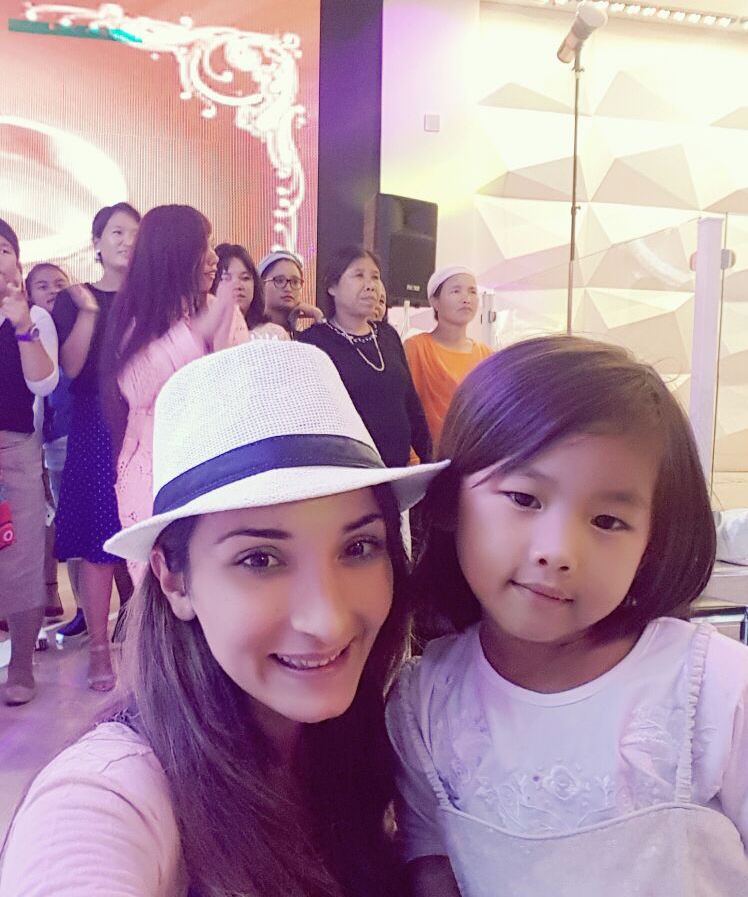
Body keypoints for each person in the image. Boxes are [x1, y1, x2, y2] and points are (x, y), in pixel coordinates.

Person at [387, 336, 748, 897]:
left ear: (652, 542)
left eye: (606, 521)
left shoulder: (719, 689)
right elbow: (431, 858)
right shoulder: (424, 701)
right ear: (451, 500)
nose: (558, 551)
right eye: (525, 499)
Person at [0, 340, 448, 897]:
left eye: (358, 548)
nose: (327, 620)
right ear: (174, 579)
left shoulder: (374, 742)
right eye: (260, 559)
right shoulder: (112, 791)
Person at [103, 205, 248, 539]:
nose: (214, 258)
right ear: (172, 255)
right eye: (203, 247)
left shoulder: (220, 310)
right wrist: (201, 332)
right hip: (157, 466)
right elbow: (140, 388)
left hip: (217, 463)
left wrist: (220, 334)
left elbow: (235, 388)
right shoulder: (138, 318)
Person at [52, 203, 141, 683]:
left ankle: (147, 638)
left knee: (145, 532)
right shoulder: (76, 298)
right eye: (117, 232)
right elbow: (70, 368)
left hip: (144, 419)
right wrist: (89, 312)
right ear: (97, 243)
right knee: (98, 538)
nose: (127, 241)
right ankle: (100, 650)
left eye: (135, 233)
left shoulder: (152, 296)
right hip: (96, 423)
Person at [298, 247, 432, 468]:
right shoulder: (314, 341)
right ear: (332, 286)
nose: (370, 285)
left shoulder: (388, 335)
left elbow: (411, 404)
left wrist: (429, 462)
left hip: (396, 470)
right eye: (359, 275)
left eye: (375, 277)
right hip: (346, 471)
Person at [0, 219, 59, 706]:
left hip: (14, 447)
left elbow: (43, 382)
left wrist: (21, 326)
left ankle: (21, 665)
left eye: (3, 249)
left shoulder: (33, 317)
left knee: (20, 558)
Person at [26, 262, 74, 621]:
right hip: (30, 437)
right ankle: (41, 591)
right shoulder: (26, 329)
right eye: (42, 286)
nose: (53, 290)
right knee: (36, 517)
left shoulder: (79, 327)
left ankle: (54, 590)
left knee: (63, 517)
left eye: (59, 283)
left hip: (67, 437)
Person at [404, 267, 492, 452]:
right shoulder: (416, 348)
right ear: (434, 301)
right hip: (427, 457)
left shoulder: (486, 355)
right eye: (456, 291)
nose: (466, 298)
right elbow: (405, 409)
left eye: (472, 291)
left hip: (474, 455)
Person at [211, 242, 288, 339]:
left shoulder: (275, 335)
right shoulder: (202, 337)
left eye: (245, 278)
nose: (238, 286)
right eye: (226, 278)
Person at [257, 248, 323, 337]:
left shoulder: (303, 338)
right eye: (279, 281)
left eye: (295, 282)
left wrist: (318, 317)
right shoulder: (250, 333)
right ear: (261, 285)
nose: (288, 288)